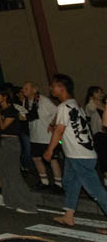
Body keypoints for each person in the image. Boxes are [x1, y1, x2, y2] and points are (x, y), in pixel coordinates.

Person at [45, 74, 107, 230]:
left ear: (62, 88)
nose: (51, 89)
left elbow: (59, 131)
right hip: (76, 154)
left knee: (96, 191)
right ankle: (68, 215)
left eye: (53, 86)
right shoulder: (74, 105)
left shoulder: (64, 107)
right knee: (70, 183)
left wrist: (50, 150)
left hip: (80, 156)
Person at [0, 87, 39, 214]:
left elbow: (3, 126)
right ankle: (11, 201)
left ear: (5, 97)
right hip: (2, 142)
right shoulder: (1, 110)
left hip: (11, 143)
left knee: (13, 174)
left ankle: (29, 205)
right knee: (4, 173)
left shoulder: (11, 110)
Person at [23, 81, 62, 190]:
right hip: (35, 136)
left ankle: (58, 184)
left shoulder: (43, 100)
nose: (23, 90)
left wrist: (52, 124)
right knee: (36, 159)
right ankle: (44, 182)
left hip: (47, 136)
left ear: (34, 90)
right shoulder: (25, 102)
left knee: (52, 159)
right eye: (23, 89)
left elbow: (57, 111)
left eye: (26, 88)